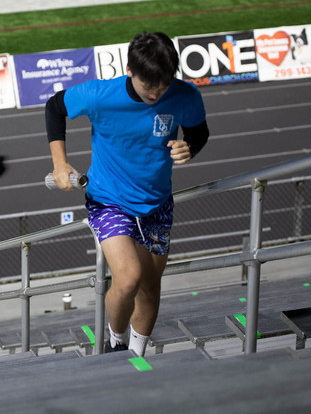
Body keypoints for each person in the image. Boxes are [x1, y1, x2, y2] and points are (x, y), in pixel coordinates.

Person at [45, 31, 209, 356]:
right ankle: (116, 342)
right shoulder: (100, 95)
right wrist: (60, 163)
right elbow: (54, 107)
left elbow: (199, 132)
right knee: (130, 278)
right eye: (149, 86)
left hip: (157, 204)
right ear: (130, 70)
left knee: (149, 288)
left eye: (163, 85)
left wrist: (189, 147)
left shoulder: (185, 95)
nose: (157, 93)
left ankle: (137, 354)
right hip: (109, 201)